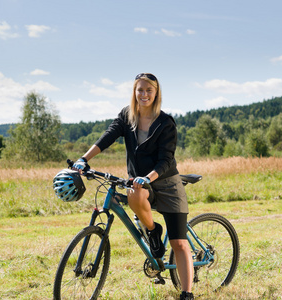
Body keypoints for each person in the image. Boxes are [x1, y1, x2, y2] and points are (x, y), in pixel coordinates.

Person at [73, 73, 194, 300]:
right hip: (139, 184)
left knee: (178, 241)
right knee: (133, 193)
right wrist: (84, 159)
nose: (144, 94)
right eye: (140, 90)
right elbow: (107, 137)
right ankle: (153, 230)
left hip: (166, 182)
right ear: (134, 92)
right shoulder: (127, 117)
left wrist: (148, 177)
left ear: (156, 93)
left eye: (149, 90)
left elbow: (166, 160)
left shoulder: (165, 122)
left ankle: (187, 293)